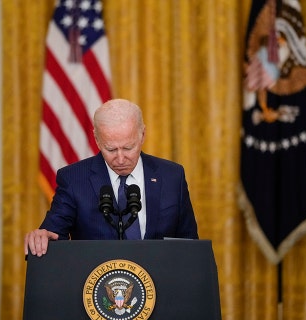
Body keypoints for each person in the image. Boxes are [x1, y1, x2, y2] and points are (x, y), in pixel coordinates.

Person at [24, 98, 198, 257]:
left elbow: (189, 245)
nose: (121, 159)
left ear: (142, 135)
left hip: (160, 284)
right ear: (97, 140)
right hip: (97, 286)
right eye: (111, 149)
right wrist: (42, 237)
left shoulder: (172, 176)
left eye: (128, 148)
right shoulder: (73, 179)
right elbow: (53, 234)